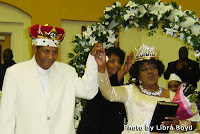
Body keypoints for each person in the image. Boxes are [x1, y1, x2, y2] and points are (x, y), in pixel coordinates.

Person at [0, 24, 105, 134]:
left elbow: (89, 92)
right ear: (35, 48)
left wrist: (93, 61)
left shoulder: (67, 72)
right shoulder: (15, 73)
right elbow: (6, 118)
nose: (50, 57)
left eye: (55, 52)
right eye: (46, 51)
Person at [98, 44, 177, 133]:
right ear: (138, 75)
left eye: (153, 68)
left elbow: (190, 123)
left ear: (159, 71)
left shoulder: (172, 96)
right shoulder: (130, 91)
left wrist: (178, 124)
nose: (150, 72)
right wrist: (101, 69)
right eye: (144, 69)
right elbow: (108, 93)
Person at [77, 47, 133, 134]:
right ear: (104, 63)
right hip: (93, 127)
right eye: (112, 61)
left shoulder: (120, 82)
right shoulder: (95, 80)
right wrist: (124, 70)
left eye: (119, 62)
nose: (117, 65)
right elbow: (107, 87)